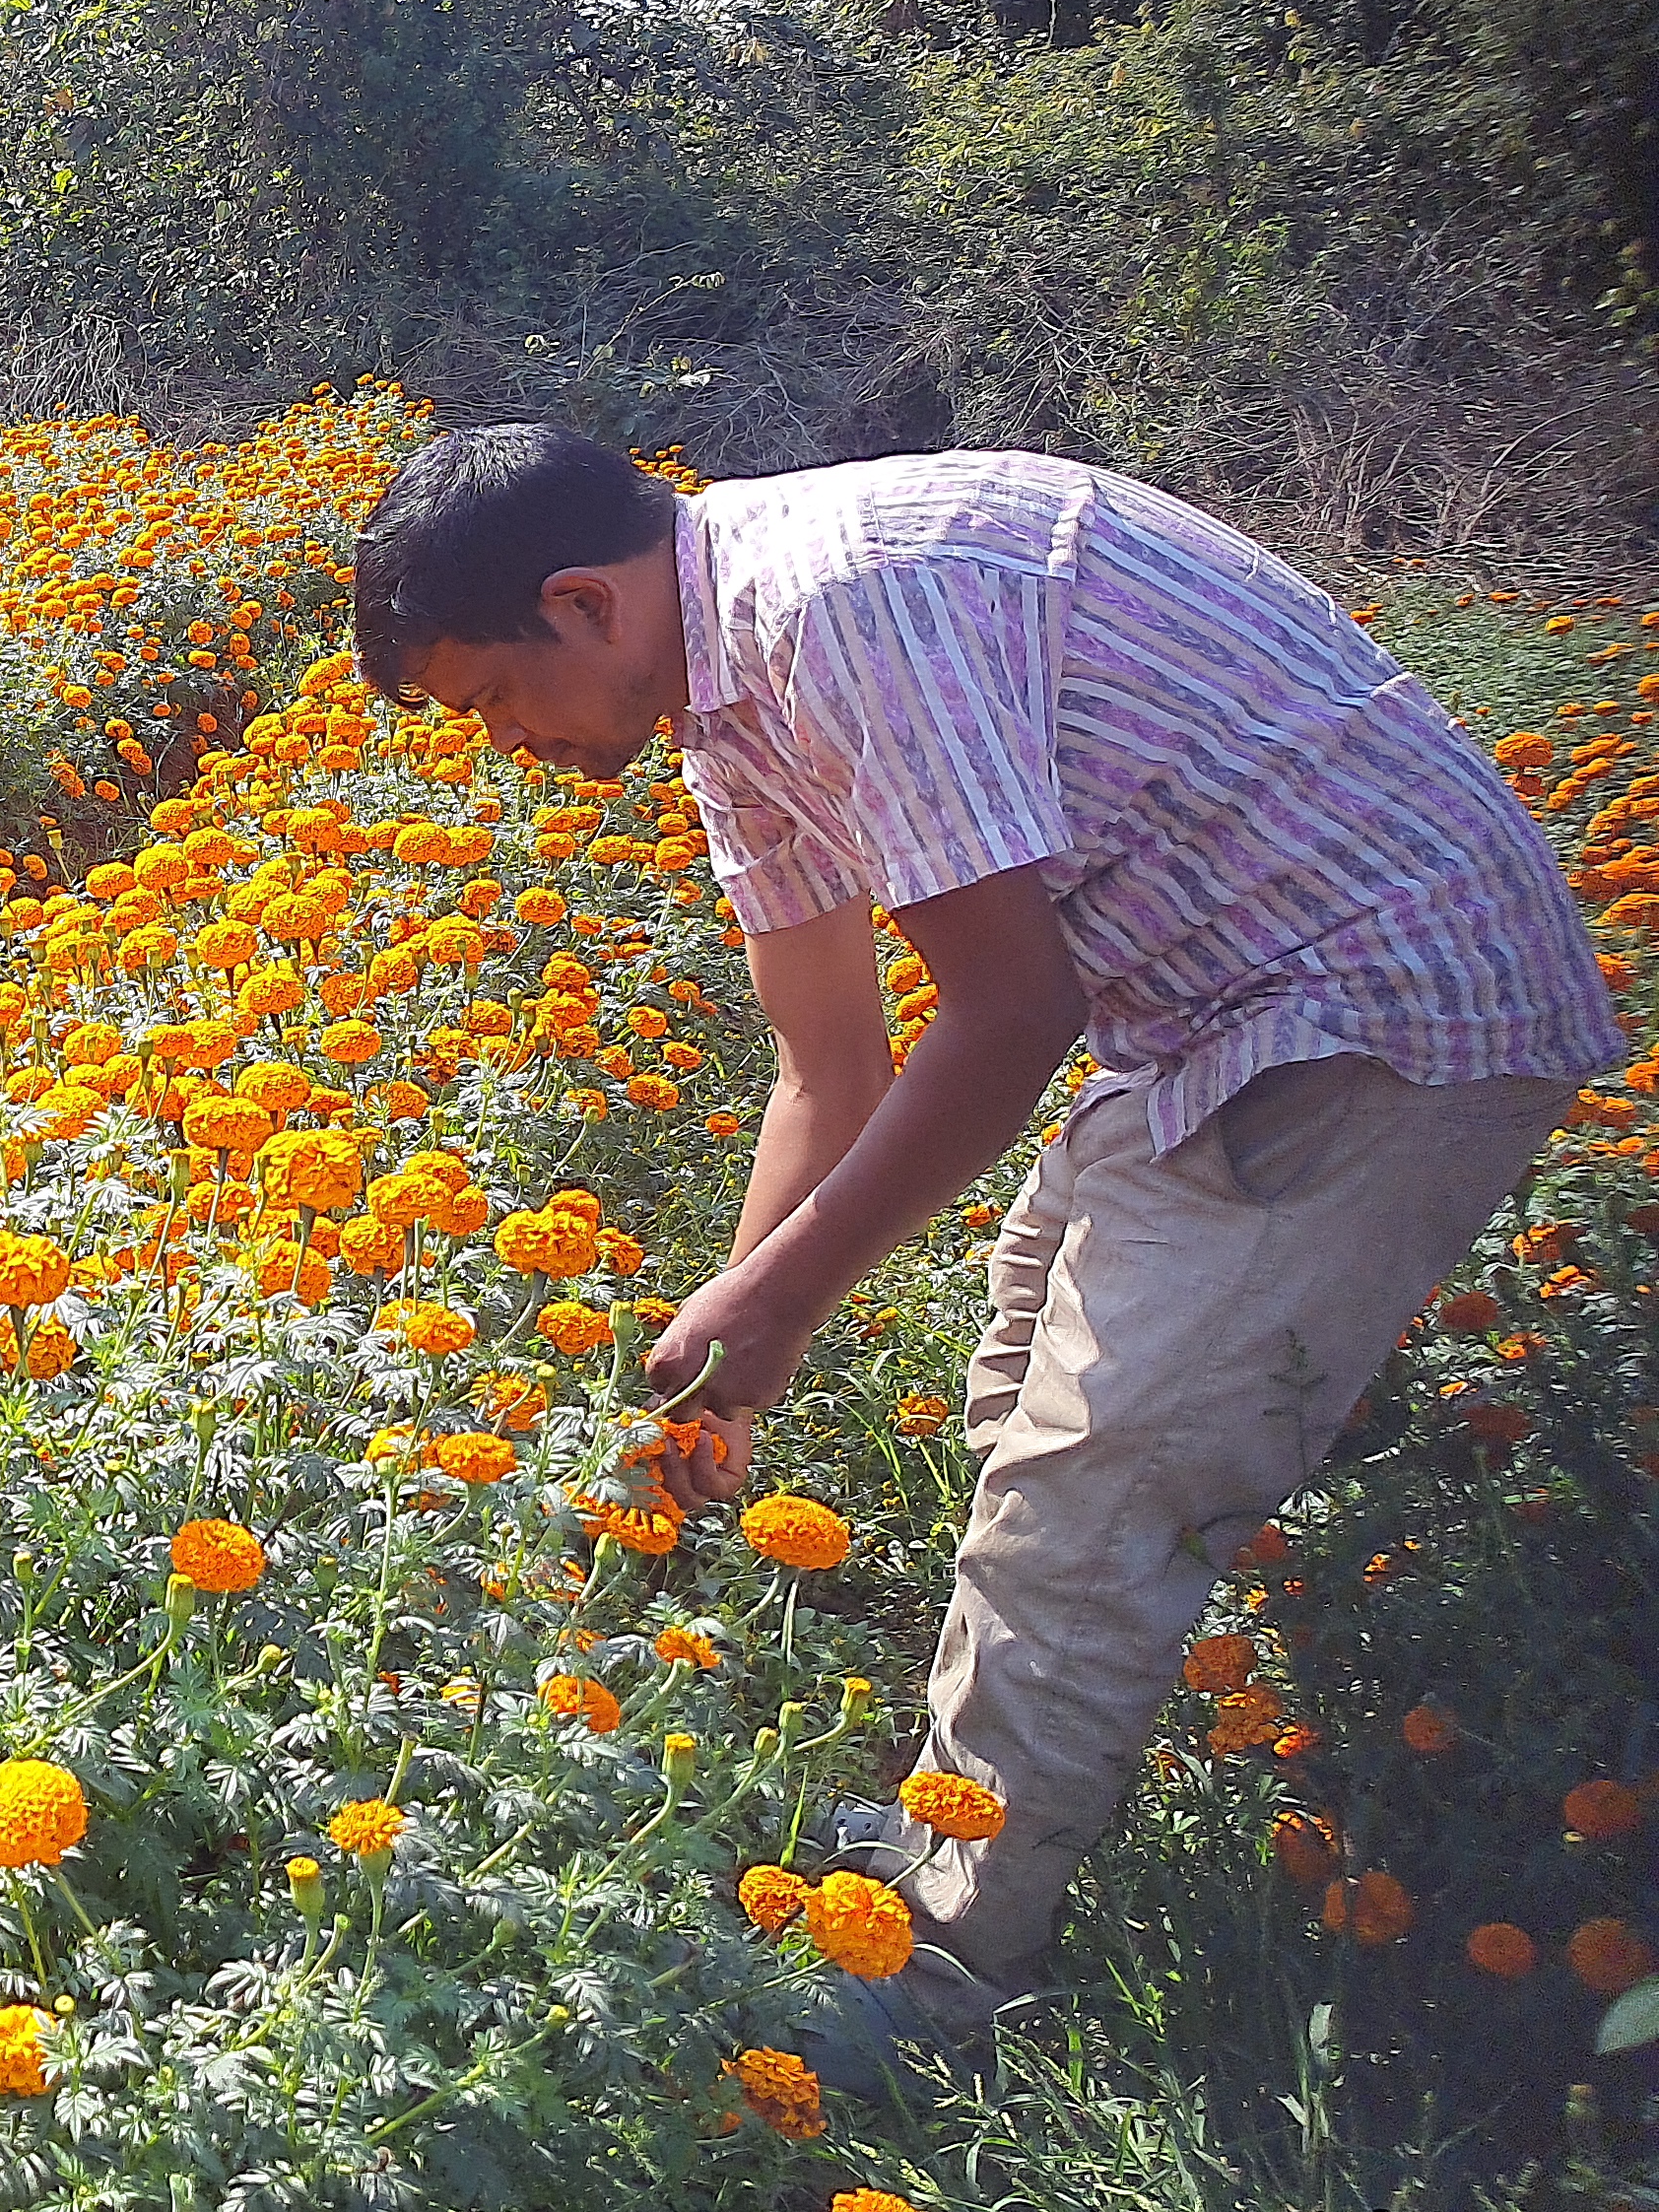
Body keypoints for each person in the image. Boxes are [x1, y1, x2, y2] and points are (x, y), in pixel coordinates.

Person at [347, 424, 1622, 2078]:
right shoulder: (726, 708)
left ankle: (949, 1975)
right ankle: (979, 1808)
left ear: (581, 604)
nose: (506, 743)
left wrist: (783, 1293)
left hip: (1368, 1001)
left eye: (491, 700)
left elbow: (1017, 1012)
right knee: (1025, 1374)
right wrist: (726, 1373)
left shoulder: (843, 605)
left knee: (1087, 1494)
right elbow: (830, 1066)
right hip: (1208, 1012)